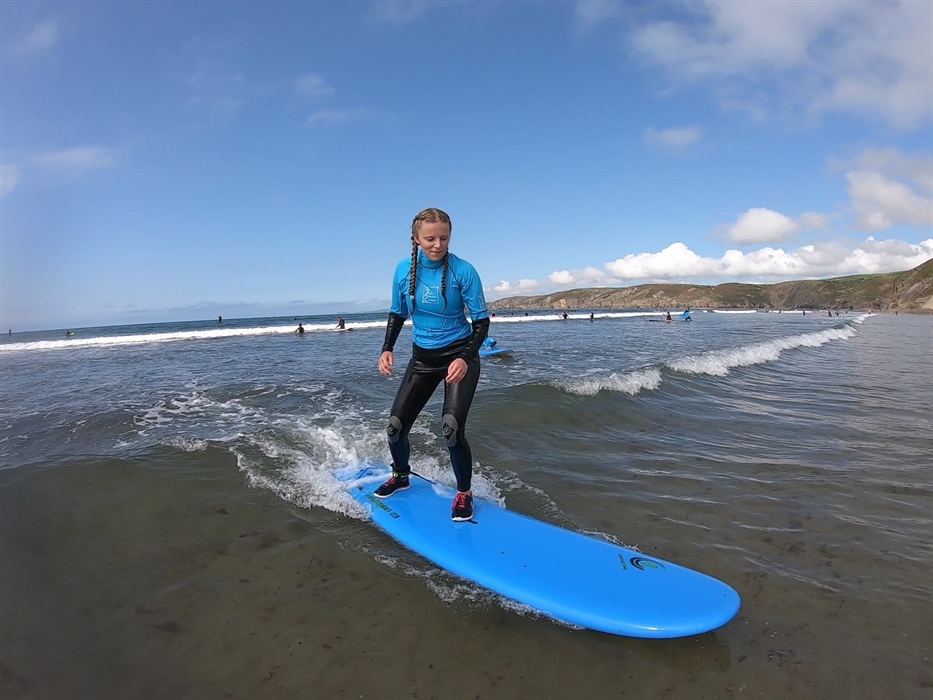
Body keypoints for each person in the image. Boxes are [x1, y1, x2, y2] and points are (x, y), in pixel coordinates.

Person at [376, 207, 489, 522]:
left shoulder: (463, 271)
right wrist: (387, 349)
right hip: (422, 359)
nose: (437, 244)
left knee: (451, 429)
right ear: (416, 239)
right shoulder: (403, 271)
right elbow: (397, 313)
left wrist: (465, 358)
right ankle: (401, 476)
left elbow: (481, 322)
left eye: (443, 237)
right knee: (395, 428)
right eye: (430, 239)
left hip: (459, 355)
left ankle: (464, 493)